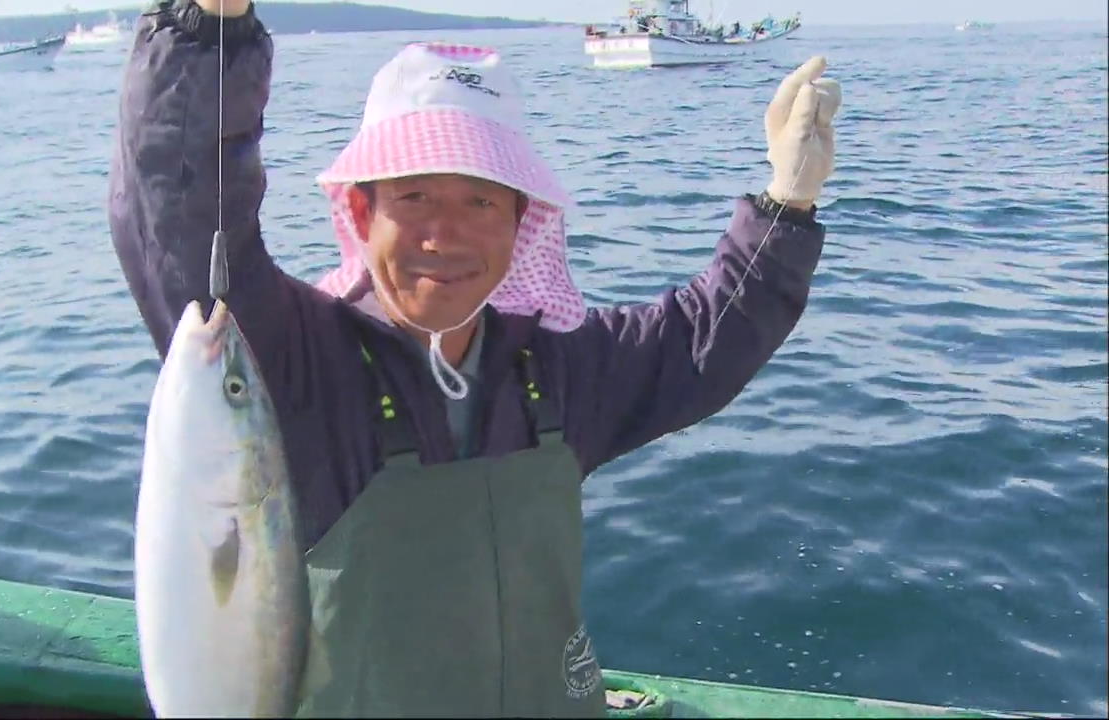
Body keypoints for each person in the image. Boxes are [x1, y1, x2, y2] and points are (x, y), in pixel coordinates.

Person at [109, 0, 841, 716]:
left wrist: (788, 201)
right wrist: (212, 26)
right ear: (361, 214)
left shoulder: (561, 371)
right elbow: (180, 218)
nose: (444, 234)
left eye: (482, 203)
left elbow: (701, 344)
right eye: (415, 196)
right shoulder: (293, 361)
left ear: (522, 222)